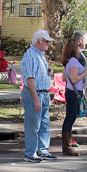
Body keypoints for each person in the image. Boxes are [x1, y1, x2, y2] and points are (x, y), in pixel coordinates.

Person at [20, 29, 56, 163]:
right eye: (47, 41)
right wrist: (36, 99)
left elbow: (37, 73)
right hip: (34, 94)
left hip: (44, 93)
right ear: (39, 41)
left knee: (44, 124)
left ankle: (42, 150)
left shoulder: (40, 55)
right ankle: (30, 153)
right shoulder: (31, 56)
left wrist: (49, 71)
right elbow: (30, 79)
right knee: (33, 125)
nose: (48, 44)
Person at [61, 31, 87, 156]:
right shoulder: (74, 61)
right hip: (73, 92)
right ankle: (67, 146)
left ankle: (67, 145)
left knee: (70, 118)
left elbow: (65, 78)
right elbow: (74, 79)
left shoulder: (69, 61)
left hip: (72, 91)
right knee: (70, 119)